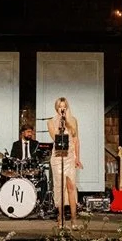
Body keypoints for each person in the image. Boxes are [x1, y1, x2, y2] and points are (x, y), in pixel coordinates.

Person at [47, 97, 82, 229]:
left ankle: (74, 220)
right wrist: (61, 123)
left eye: (64, 106)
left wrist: (77, 158)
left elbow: (76, 140)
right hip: (58, 157)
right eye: (60, 106)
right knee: (60, 188)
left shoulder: (73, 120)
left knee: (71, 187)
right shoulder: (51, 122)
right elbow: (55, 137)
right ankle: (60, 219)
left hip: (70, 157)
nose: (62, 108)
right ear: (57, 108)